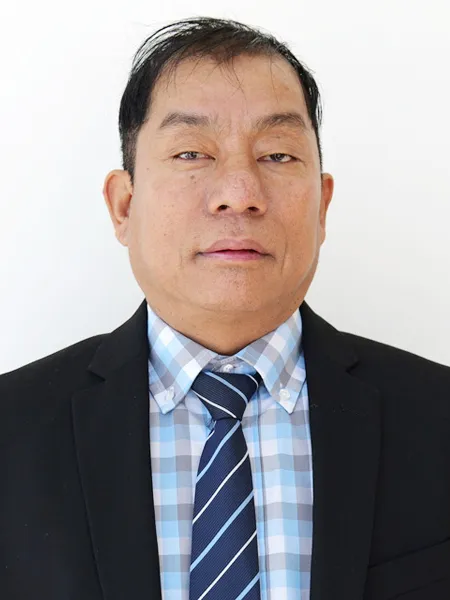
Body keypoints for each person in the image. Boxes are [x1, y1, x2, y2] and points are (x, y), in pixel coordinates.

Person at [1, 16, 449, 600]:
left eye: (277, 155)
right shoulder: (12, 431)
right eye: (192, 152)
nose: (239, 194)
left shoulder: (438, 420)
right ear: (124, 205)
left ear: (322, 207)